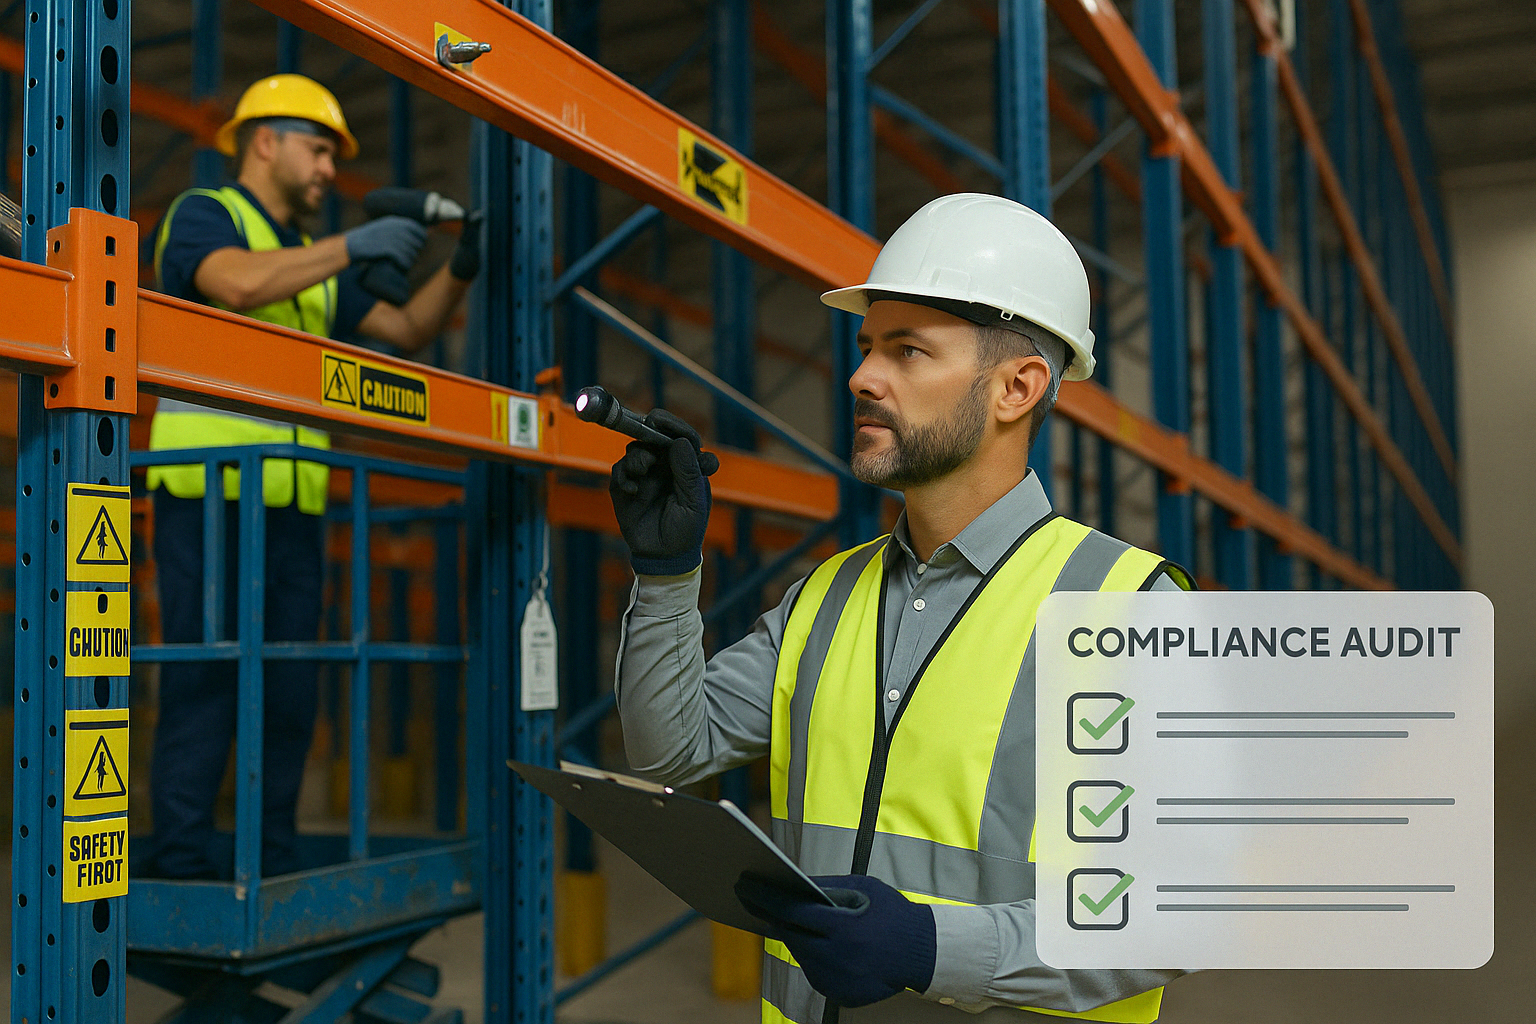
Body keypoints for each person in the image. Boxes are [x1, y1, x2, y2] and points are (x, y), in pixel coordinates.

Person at [609, 193, 1192, 1023]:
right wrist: (666, 571)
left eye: (909, 351)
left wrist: (929, 949)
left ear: (1017, 387)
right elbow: (667, 748)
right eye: (867, 347)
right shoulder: (827, 595)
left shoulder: (1129, 607)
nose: (860, 377)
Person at [145, 74, 481, 879]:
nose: (331, 171)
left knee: (291, 695)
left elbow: (405, 328)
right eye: (321, 149)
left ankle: (271, 863)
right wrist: (353, 246)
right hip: (210, 494)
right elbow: (232, 284)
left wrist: (463, 265)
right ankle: (183, 867)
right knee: (208, 684)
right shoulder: (207, 215)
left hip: (293, 509)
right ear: (265, 140)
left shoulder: (311, 266)